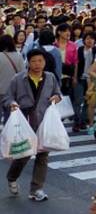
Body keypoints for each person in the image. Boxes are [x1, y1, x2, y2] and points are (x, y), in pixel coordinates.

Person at [4, 48, 62, 201]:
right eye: (34, 61)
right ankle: (11, 177)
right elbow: (7, 98)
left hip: (44, 123)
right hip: (25, 122)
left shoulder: (50, 77)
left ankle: (36, 189)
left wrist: (56, 97)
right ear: (28, 63)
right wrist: (12, 104)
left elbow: (58, 93)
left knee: (42, 156)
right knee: (23, 155)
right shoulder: (18, 79)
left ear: (44, 62)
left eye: (40, 61)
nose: (37, 64)